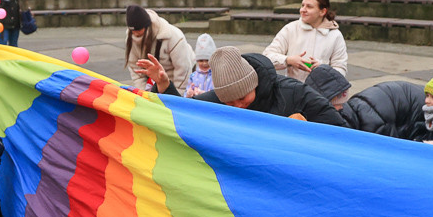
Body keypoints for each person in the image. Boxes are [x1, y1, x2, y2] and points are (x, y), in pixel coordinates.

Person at [139, 46, 347, 127]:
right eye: (229, 102)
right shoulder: (218, 100)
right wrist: (164, 83)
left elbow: (342, 131)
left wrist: (307, 126)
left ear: (254, 83)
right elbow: (182, 112)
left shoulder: (294, 93)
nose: (238, 106)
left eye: (242, 98)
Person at [306, 65, 427, 141]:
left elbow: (389, 153)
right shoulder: (357, 112)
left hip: (426, 109)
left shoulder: (372, 122)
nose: (340, 105)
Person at [263, 0, 348, 81]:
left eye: (309, 7)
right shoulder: (290, 29)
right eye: (302, 5)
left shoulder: (335, 35)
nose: (303, 10)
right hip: (293, 90)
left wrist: (323, 69)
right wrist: (288, 60)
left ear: (322, 11)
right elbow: (267, 57)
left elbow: (341, 69)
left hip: (321, 93)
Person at [124, 4, 194, 94]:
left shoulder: (173, 36)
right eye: (132, 31)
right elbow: (136, 70)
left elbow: (183, 69)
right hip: (155, 81)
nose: (135, 34)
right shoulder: (131, 38)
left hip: (180, 76)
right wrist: (144, 94)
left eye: (138, 30)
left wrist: (177, 95)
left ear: (147, 27)